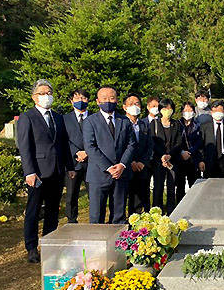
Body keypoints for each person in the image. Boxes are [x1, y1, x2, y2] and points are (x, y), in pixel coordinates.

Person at [16, 79, 74, 263]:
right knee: (33, 210)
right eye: (42, 93)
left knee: (53, 210)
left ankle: (49, 244)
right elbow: (24, 146)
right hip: (38, 173)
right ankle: (31, 247)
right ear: (34, 97)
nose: (46, 96)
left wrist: (70, 166)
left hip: (56, 171)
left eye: (49, 93)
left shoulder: (58, 117)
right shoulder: (27, 117)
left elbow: (64, 143)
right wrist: (29, 172)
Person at [83, 86, 136, 224]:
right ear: (97, 101)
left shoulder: (124, 121)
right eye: (104, 98)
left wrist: (122, 165)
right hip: (98, 174)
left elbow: (131, 144)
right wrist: (108, 167)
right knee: (96, 216)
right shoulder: (90, 121)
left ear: (117, 100)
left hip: (121, 174)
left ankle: (118, 237)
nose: (108, 101)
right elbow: (90, 147)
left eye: (112, 98)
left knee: (119, 215)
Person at [62, 88, 91, 224]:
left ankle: (96, 220)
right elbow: (63, 140)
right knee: (71, 194)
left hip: (91, 162)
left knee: (94, 194)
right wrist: (76, 152)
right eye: (77, 98)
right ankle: (71, 220)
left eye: (84, 98)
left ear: (88, 100)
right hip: (73, 163)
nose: (81, 101)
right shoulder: (64, 119)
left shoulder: (95, 118)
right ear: (71, 101)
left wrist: (87, 152)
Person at [151, 98, 183, 214]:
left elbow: (179, 142)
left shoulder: (176, 124)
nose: (167, 111)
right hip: (158, 160)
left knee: (171, 187)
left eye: (170, 108)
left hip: (172, 160)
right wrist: (162, 155)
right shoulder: (154, 123)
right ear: (160, 110)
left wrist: (170, 155)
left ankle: (171, 212)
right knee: (158, 187)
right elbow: (152, 142)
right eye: (165, 108)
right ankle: (156, 213)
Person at [123, 93, 152, 214]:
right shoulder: (121, 123)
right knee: (125, 196)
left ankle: (139, 218)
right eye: (131, 104)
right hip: (126, 165)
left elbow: (149, 146)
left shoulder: (144, 124)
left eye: (137, 103)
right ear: (124, 107)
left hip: (141, 166)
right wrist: (131, 161)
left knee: (141, 195)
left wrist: (142, 162)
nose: (134, 106)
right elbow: (121, 146)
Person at [199, 100, 224, 178]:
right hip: (210, 160)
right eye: (215, 110)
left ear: (223, 111)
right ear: (211, 112)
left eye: (219, 110)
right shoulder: (205, 127)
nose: (217, 113)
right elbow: (201, 145)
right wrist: (201, 160)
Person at [176, 102, 203, 203]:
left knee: (194, 185)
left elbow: (199, 143)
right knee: (180, 186)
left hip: (193, 159)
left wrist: (190, 152)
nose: (188, 112)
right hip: (180, 159)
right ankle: (180, 205)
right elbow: (175, 141)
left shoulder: (197, 126)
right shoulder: (177, 124)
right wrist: (182, 152)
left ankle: (194, 205)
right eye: (186, 110)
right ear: (182, 111)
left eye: (190, 110)